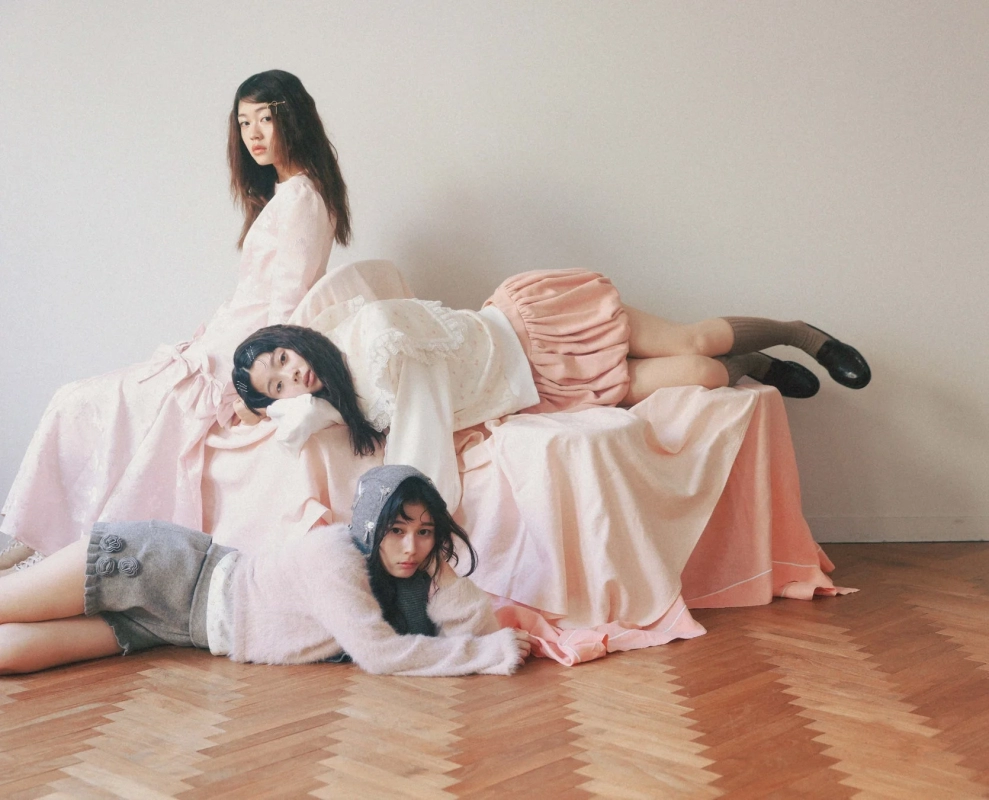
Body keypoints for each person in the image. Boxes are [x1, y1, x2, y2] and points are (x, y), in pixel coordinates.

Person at [1, 70, 351, 570]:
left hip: (235, 355)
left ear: (291, 119)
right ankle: (46, 541)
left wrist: (248, 387)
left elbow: (286, 307)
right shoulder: (291, 195)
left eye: (266, 119)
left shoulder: (299, 199)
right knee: (85, 402)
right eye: (244, 121)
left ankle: (53, 546)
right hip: (222, 343)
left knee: (80, 401)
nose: (253, 134)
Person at [231, 268, 871, 509]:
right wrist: (277, 409)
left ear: (295, 336)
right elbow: (309, 419)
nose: (292, 376)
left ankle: (799, 333)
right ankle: (754, 365)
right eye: (278, 384)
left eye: (283, 358)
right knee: (707, 376)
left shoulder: (375, 336)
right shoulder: (343, 400)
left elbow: (419, 434)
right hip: (543, 388)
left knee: (694, 343)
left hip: (535, 326)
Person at [0, 465, 530, 676]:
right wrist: (492, 653)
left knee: (14, 656)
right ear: (370, 526)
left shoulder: (404, 575)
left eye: (425, 532)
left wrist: (439, 572)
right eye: (395, 529)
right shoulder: (334, 557)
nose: (410, 547)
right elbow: (381, 655)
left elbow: (474, 618)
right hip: (168, 570)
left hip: (180, 630)